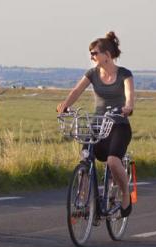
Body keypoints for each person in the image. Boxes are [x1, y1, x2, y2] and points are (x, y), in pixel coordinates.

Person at [56, 31, 134, 217]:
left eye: (94, 53)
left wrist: (128, 106)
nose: (91, 56)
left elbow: (130, 95)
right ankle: (83, 202)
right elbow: (76, 90)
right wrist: (65, 105)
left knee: (113, 161)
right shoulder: (92, 74)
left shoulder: (124, 74)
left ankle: (125, 194)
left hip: (118, 125)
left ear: (107, 55)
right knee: (86, 159)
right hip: (97, 124)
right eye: (90, 53)